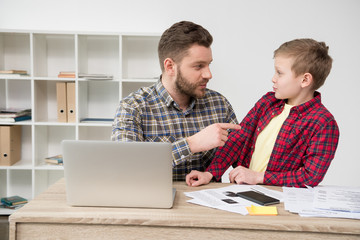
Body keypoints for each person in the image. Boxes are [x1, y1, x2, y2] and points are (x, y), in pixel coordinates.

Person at [186, 38, 340, 188]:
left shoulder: (323, 123)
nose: (273, 79)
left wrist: (258, 177)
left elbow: (310, 176)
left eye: (280, 73)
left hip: (281, 200)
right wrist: (210, 173)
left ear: (305, 80)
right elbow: (238, 138)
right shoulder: (268, 102)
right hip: (244, 190)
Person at [112, 21, 240, 181]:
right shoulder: (133, 107)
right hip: (154, 203)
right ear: (170, 66)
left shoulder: (219, 104)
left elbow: (242, 159)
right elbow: (126, 168)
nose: (209, 74)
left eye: (209, 65)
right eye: (199, 66)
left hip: (207, 204)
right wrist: (192, 144)